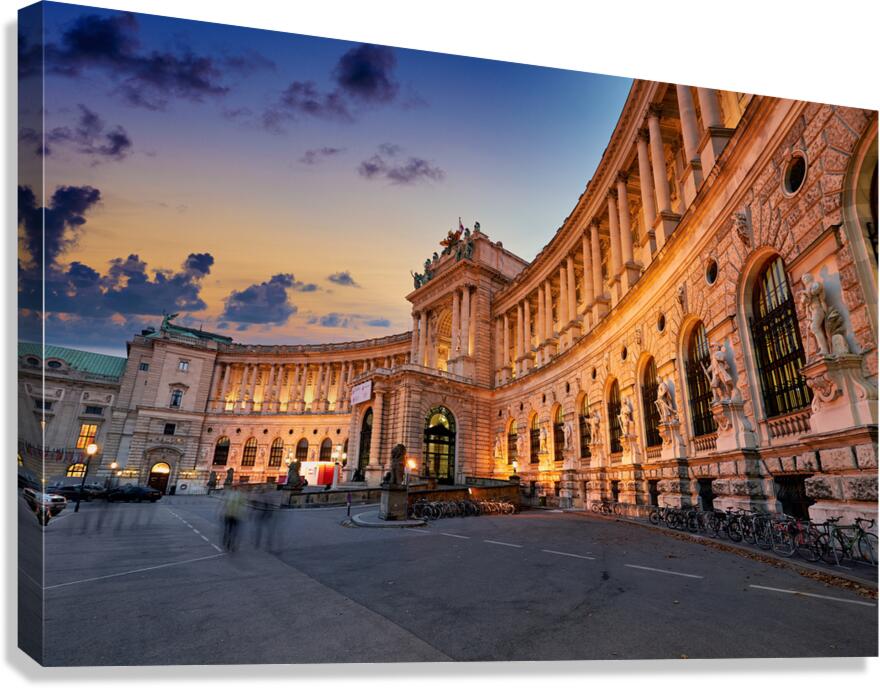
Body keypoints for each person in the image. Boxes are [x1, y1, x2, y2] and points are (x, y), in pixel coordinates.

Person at [221, 487, 247, 552]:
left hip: (234, 515)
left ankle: (229, 543)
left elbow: (243, 506)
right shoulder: (232, 494)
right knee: (231, 530)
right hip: (230, 514)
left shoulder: (237, 495)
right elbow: (225, 504)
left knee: (231, 530)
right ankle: (228, 542)